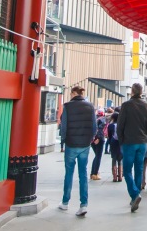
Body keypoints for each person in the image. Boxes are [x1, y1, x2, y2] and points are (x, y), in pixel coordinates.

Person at [58, 86, 96, 217]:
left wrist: (63, 141)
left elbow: (64, 126)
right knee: (83, 174)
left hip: (71, 144)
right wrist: (90, 139)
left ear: (74, 93)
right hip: (85, 145)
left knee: (69, 173)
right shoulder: (90, 106)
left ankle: (65, 202)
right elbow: (94, 127)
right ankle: (83, 204)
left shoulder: (67, 106)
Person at [117, 83, 147, 212]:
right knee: (139, 168)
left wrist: (121, 140)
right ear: (142, 91)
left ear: (132, 92)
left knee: (127, 170)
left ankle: (134, 194)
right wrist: (146, 137)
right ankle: (136, 195)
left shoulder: (126, 105)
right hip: (142, 142)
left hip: (129, 141)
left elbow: (120, 124)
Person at [107, 112, 123, 182]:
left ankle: (114, 177)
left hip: (113, 142)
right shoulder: (121, 125)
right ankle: (120, 176)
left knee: (114, 158)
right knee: (120, 159)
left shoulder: (110, 125)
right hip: (120, 142)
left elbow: (109, 136)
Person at [90, 110, 106, 181]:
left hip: (92, 139)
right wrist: (99, 138)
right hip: (99, 139)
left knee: (96, 156)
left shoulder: (93, 119)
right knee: (98, 156)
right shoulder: (102, 119)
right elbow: (100, 129)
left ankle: (92, 173)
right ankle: (95, 173)